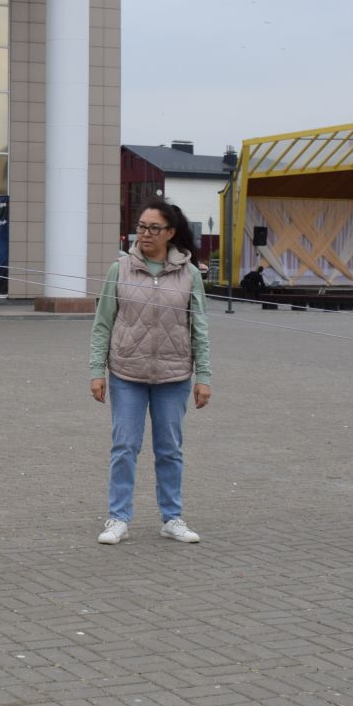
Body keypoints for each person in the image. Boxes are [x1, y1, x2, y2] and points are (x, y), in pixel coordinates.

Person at [87, 199, 213, 545]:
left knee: (170, 448)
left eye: (153, 228)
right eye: (141, 226)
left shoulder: (189, 274)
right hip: (127, 373)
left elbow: (199, 326)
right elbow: (103, 324)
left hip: (174, 376)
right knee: (124, 446)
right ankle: (118, 518)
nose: (145, 233)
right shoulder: (121, 269)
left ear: (170, 233)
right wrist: (97, 370)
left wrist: (204, 376)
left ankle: (172, 518)